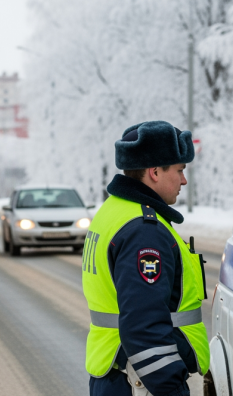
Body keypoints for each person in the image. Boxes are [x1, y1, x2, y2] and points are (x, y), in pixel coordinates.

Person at [82, 120, 209, 396]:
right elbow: (144, 327)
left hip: (119, 377)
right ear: (154, 172)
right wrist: (173, 389)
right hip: (140, 383)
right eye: (179, 170)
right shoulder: (143, 231)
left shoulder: (113, 211)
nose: (184, 180)